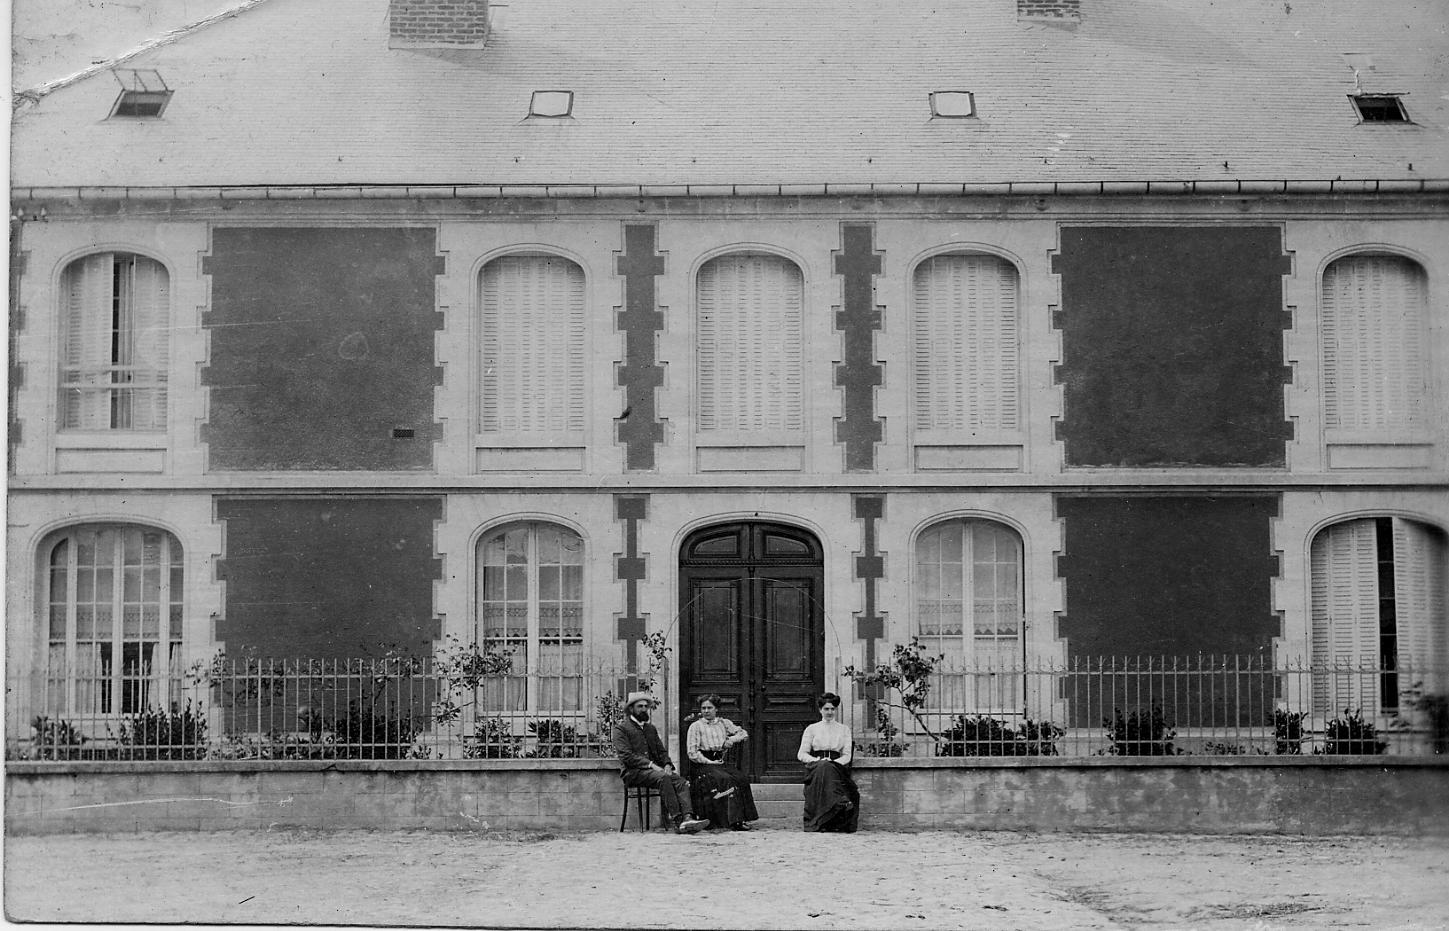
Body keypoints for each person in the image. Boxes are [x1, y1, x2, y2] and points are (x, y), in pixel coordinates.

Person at [611, 691, 709, 834]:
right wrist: (651, 765)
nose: (644, 709)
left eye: (646, 706)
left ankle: (688, 818)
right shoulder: (621, 729)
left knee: (680, 781)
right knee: (663, 778)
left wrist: (667, 764)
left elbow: (661, 751)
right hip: (633, 773)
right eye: (640, 706)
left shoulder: (650, 728)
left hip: (655, 772)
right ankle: (677, 820)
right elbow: (627, 756)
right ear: (631, 709)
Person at [685, 694, 760, 831]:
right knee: (725, 779)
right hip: (701, 764)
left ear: (716, 709)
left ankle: (739, 819)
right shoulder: (695, 726)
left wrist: (731, 740)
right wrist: (708, 762)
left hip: (719, 762)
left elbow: (743, 733)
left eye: (709, 708)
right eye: (703, 708)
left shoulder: (724, 723)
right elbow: (692, 753)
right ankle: (727, 820)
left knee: (741, 778)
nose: (706, 711)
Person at [797, 691, 859, 833]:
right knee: (823, 767)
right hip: (816, 766)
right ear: (820, 710)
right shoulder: (812, 729)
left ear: (836, 710)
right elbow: (801, 754)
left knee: (827, 767)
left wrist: (833, 763)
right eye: (826, 709)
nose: (829, 712)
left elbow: (847, 756)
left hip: (838, 766)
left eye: (832, 709)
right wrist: (817, 760)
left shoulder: (844, 729)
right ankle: (839, 802)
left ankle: (827, 817)